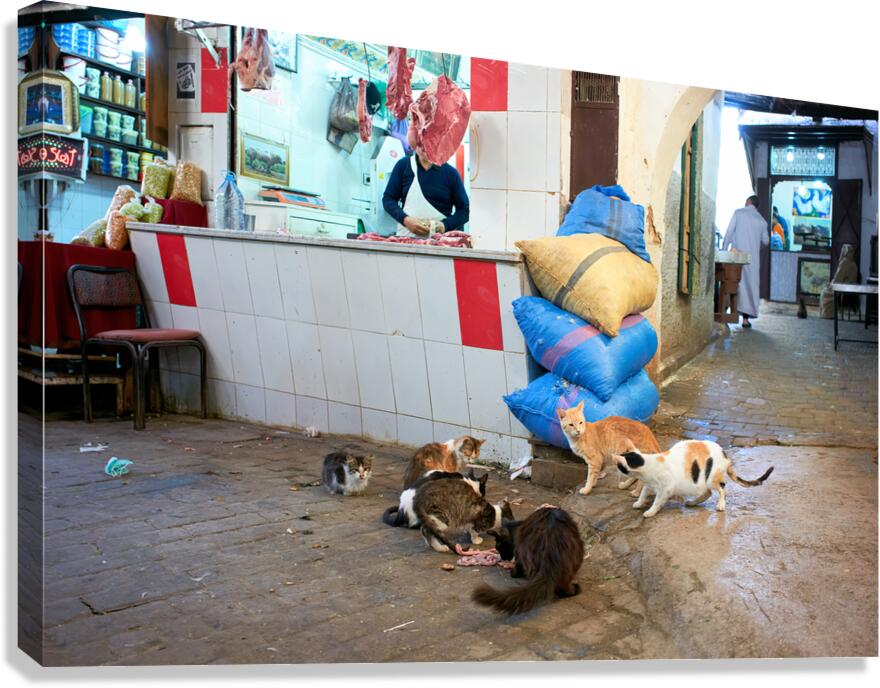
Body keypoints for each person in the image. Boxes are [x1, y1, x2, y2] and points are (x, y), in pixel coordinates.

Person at [382, 127, 469, 238]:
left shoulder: (451, 174)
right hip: (406, 240)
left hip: (439, 243)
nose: (423, 147)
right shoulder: (403, 166)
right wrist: (406, 220)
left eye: (429, 142)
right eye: (419, 142)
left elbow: (465, 211)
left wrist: (444, 225)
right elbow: (388, 199)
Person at [723, 194, 769, 329]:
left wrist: (724, 250)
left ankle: (726, 313)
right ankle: (745, 320)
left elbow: (729, 232)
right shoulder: (762, 221)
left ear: (748, 202)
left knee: (731, 282)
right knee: (749, 286)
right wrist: (756, 245)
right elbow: (766, 241)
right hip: (752, 259)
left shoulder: (738, 213)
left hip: (736, 256)